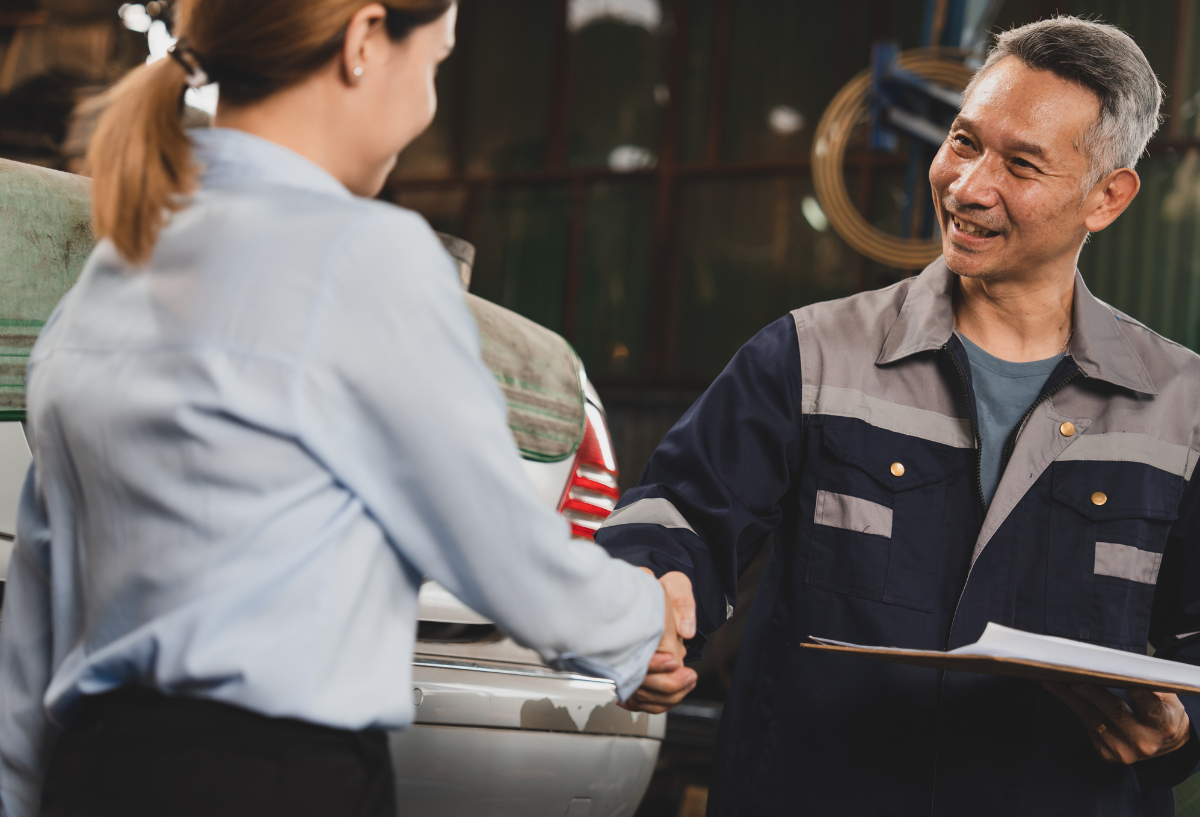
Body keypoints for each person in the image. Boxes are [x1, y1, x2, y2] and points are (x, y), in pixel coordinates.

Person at [0, 2, 696, 816]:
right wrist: (646, 619)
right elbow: (500, 547)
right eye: (436, 62)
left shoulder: (110, 279)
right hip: (276, 782)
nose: (430, 103)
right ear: (365, 40)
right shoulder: (364, 258)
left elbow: (33, 623)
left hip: (92, 775)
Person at [604, 16, 1200, 815]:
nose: (968, 186)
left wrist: (1181, 723)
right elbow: (678, 514)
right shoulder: (811, 357)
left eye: (1019, 164)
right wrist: (648, 593)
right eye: (963, 141)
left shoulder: (1180, 406)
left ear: (1107, 197)